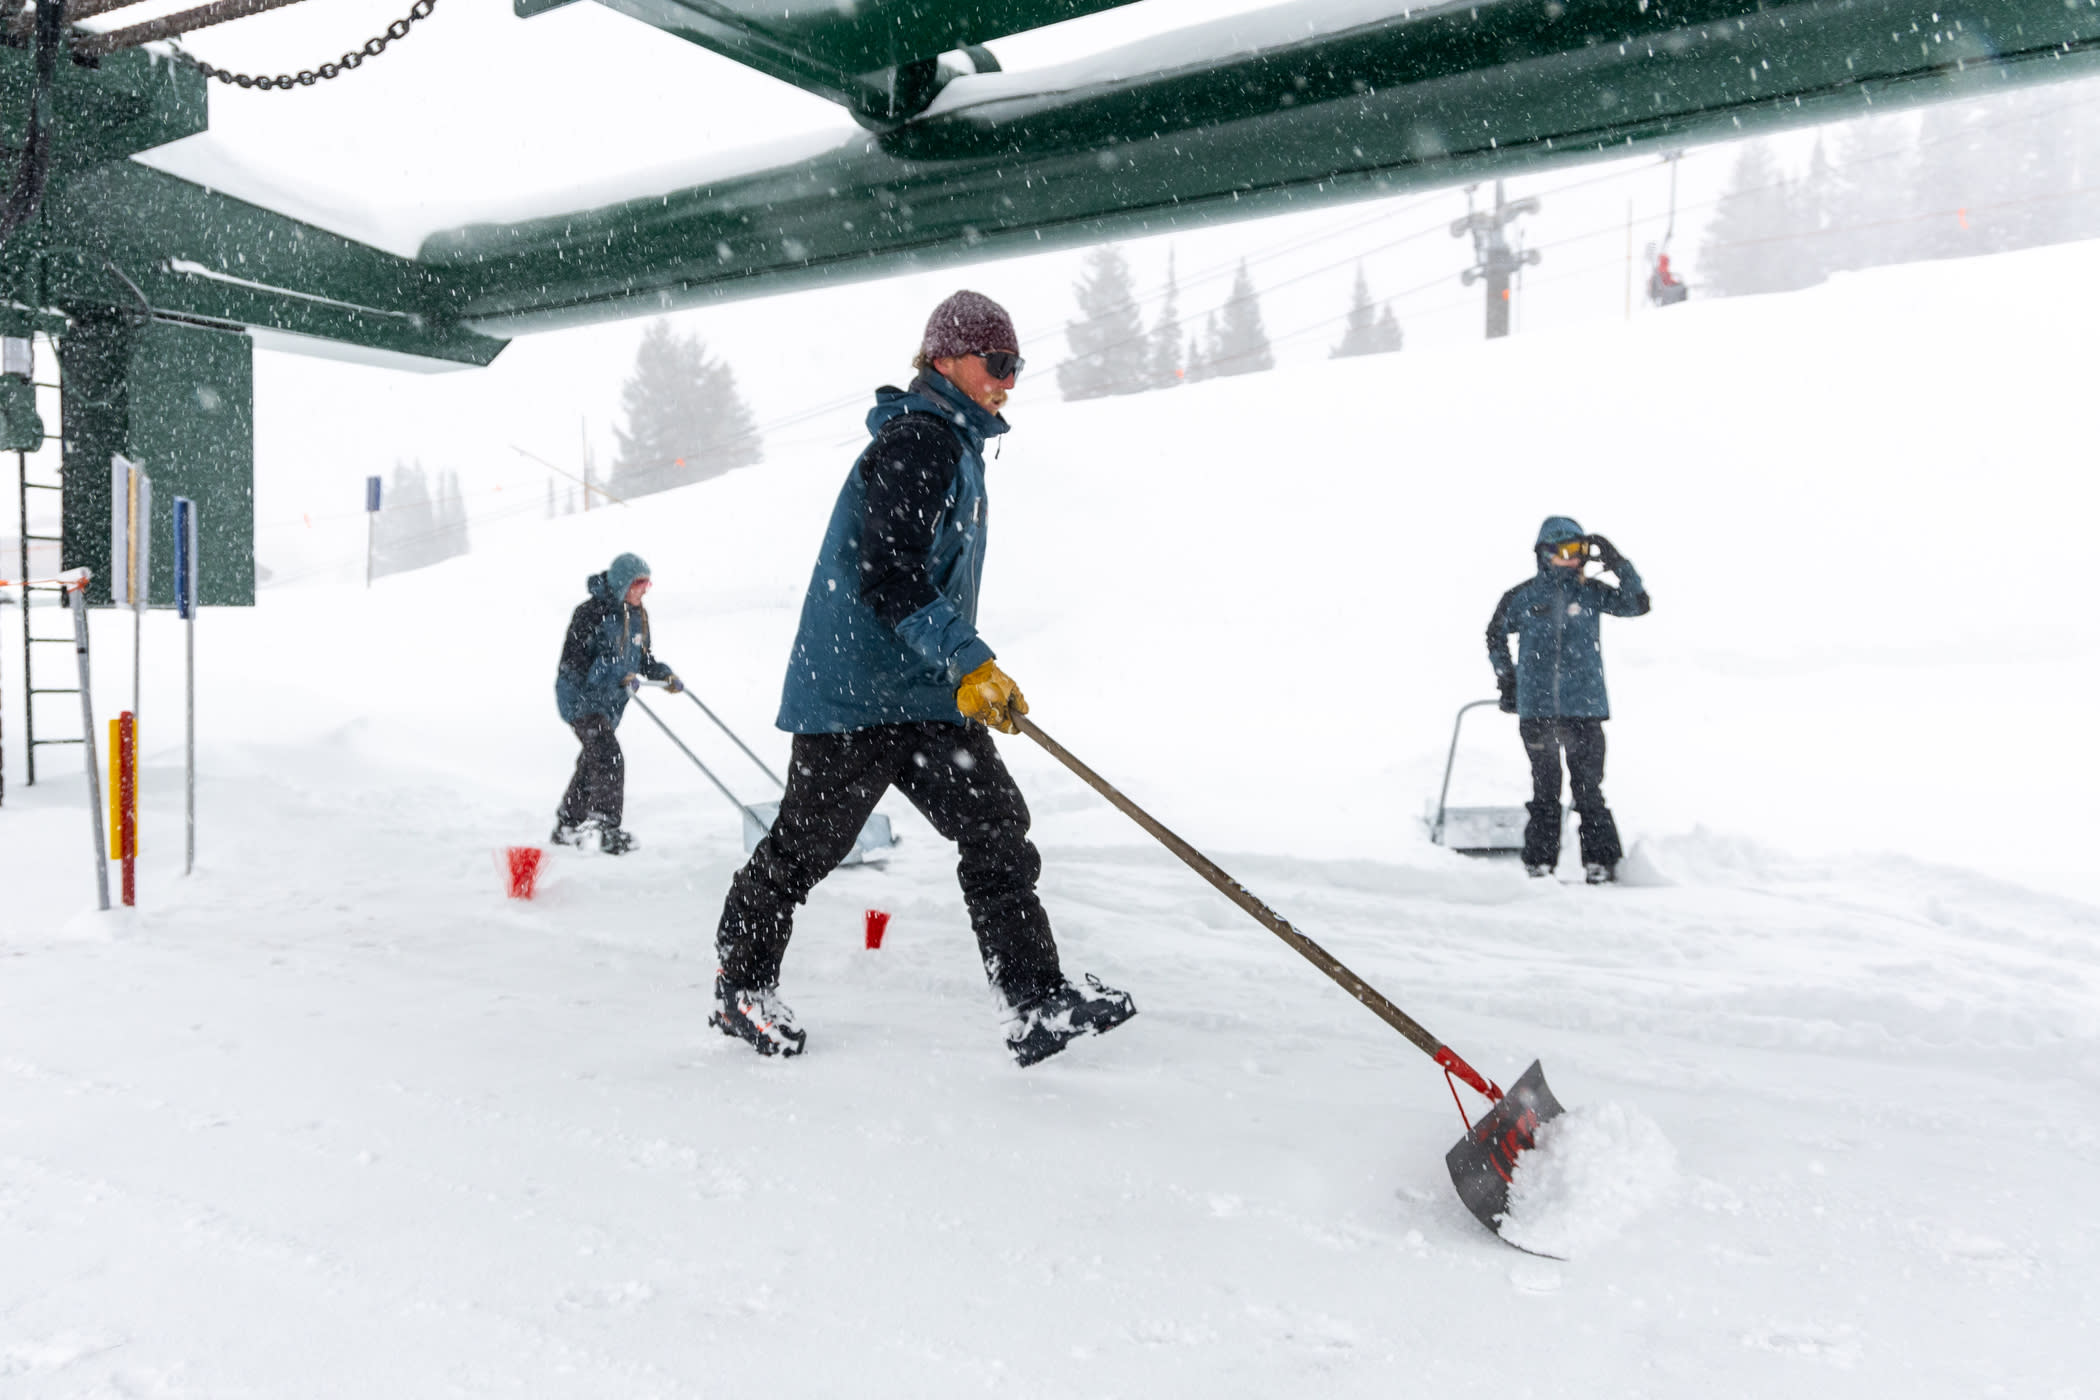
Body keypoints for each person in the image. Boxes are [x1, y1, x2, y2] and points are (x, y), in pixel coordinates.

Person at [709, 289, 1136, 1065]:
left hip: (922, 692)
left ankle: (1035, 1002)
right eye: (997, 362)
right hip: (855, 695)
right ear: (945, 360)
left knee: (995, 827)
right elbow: (888, 573)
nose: (1008, 380)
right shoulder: (922, 442)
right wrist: (970, 658)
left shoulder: (955, 444)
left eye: (1016, 365)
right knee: (806, 849)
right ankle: (741, 988)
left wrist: (956, 667)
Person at [1486, 517, 1650, 884]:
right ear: (1546, 553)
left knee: (1589, 790)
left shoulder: (1592, 593)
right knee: (1545, 789)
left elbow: (1638, 604)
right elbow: (1494, 634)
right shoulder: (1523, 597)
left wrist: (1619, 562)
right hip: (1538, 711)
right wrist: (1508, 680)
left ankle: (1602, 862)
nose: (1575, 559)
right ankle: (1539, 864)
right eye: (1566, 550)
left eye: (1581, 551)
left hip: (1585, 709)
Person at [554, 551, 681, 855]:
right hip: (581, 700)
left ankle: (567, 825)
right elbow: (575, 663)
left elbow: (641, 657)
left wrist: (664, 676)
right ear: (623, 583)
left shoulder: (637, 615)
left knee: (593, 761)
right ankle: (606, 828)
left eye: (647, 585)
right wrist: (617, 672)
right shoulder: (590, 613)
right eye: (639, 584)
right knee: (608, 757)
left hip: (609, 703)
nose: (643, 590)